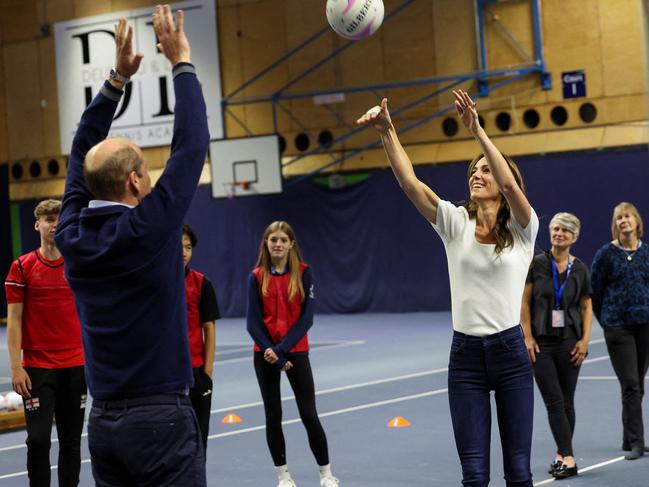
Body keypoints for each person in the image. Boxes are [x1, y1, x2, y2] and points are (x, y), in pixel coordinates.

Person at [54, 7, 209, 485]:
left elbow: (81, 152)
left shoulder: (71, 237)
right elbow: (190, 145)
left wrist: (116, 81)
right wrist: (180, 61)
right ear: (136, 182)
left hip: (103, 423)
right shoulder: (150, 228)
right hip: (160, 417)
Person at [358, 91, 539, 487]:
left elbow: (509, 184)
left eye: (484, 170)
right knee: (474, 476)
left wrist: (477, 131)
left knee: (519, 473)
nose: (477, 174)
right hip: (467, 359)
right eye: (473, 170)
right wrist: (388, 132)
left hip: (510, 355)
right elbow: (410, 184)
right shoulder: (455, 222)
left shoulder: (525, 230)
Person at [246, 221, 340, 487]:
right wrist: (271, 352)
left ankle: (326, 474)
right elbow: (252, 323)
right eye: (273, 239)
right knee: (273, 416)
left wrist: (281, 351)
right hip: (264, 356)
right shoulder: (255, 277)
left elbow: (306, 319)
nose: (277, 244)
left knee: (309, 414)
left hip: (294, 353)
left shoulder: (304, 273)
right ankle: (284, 477)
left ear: (291, 244)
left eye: (282, 240)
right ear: (266, 243)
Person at [4, 199, 86, 487]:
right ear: (37, 225)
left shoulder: (78, 265)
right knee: (38, 440)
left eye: (58, 219)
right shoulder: (21, 268)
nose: (54, 224)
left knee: (71, 441)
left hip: (76, 367)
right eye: (48, 219)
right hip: (37, 369)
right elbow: (13, 322)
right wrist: (16, 367)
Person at [520, 212, 592, 479]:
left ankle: (563, 456)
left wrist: (584, 341)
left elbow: (586, 305)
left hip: (570, 343)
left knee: (567, 402)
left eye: (565, 230)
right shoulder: (537, 264)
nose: (559, 234)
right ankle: (569, 457)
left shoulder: (581, 268)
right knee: (554, 401)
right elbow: (524, 302)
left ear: (574, 237)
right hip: (541, 344)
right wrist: (527, 336)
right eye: (555, 229)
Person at [591, 202, 649, 461]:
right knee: (631, 384)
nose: (623, 221)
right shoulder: (605, 254)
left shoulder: (646, 253)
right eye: (619, 218)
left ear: (637, 222)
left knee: (637, 385)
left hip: (645, 326)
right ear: (615, 225)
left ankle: (629, 438)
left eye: (627, 217)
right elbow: (597, 291)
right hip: (617, 328)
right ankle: (638, 442)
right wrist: (607, 320)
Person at [182, 224, 219, 456]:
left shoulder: (201, 283)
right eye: (179, 246)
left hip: (197, 374)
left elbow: (209, 328)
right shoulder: (156, 282)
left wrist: (207, 372)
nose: (184, 252)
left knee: (199, 439)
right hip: (166, 377)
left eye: (188, 247)